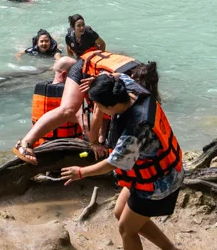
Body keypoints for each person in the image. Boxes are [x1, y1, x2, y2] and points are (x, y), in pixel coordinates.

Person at [61, 69, 184, 250]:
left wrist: (81, 172)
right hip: (153, 171)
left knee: (126, 229)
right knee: (120, 212)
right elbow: (117, 75)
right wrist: (99, 81)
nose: (97, 110)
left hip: (159, 182)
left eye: (99, 106)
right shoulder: (131, 89)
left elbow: (112, 163)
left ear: (112, 106)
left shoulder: (136, 128)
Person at [14, 27, 138, 162]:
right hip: (87, 70)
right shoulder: (100, 64)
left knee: (70, 110)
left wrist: (99, 140)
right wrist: (94, 142)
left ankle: (27, 141)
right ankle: (25, 142)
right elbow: (98, 111)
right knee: (68, 109)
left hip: (96, 70)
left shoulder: (118, 75)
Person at [28, 56, 84, 145]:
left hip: (40, 145)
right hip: (67, 147)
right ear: (64, 75)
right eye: (76, 75)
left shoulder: (41, 91)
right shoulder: (70, 95)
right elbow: (84, 122)